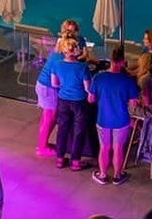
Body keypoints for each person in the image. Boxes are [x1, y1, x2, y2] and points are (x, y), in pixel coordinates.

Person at [88, 46, 139, 185]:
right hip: (121, 120)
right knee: (118, 148)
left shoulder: (98, 78)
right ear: (123, 61)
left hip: (103, 119)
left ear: (110, 60)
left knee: (104, 147)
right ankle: (117, 175)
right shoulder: (127, 81)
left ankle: (103, 174)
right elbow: (133, 104)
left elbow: (90, 99)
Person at [49, 35, 93, 170]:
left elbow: (54, 83)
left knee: (62, 129)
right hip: (79, 101)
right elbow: (87, 88)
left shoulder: (57, 65)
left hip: (63, 100)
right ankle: (75, 161)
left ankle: (60, 159)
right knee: (79, 130)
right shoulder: (83, 67)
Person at [34, 36, 68, 158]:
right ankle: (42, 148)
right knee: (50, 118)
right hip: (49, 89)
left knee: (46, 117)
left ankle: (43, 144)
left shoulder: (55, 54)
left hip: (43, 85)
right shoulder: (60, 59)